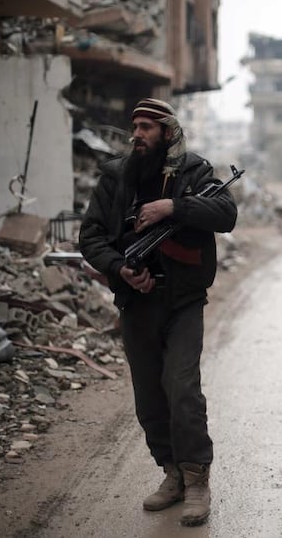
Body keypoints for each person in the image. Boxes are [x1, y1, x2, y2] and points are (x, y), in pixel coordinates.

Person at [79, 98, 237, 526]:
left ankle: (196, 477)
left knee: (182, 387)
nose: (138, 134)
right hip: (136, 302)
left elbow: (226, 215)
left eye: (147, 127)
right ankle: (171, 473)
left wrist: (175, 207)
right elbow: (90, 237)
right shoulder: (116, 176)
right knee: (150, 394)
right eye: (136, 127)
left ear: (167, 131)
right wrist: (121, 269)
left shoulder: (195, 171)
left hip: (183, 299)